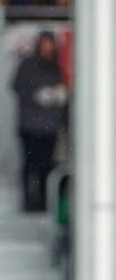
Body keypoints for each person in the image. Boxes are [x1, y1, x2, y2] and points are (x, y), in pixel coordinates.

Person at [12, 30, 66, 212]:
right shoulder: (27, 64)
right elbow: (17, 86)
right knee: (29, 165)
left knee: (46, 166)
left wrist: (57, 96)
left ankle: (44, 202)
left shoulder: (56, 66)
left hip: (49, 126)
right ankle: (28, 201)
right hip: (29, 125)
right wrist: (36, 94)